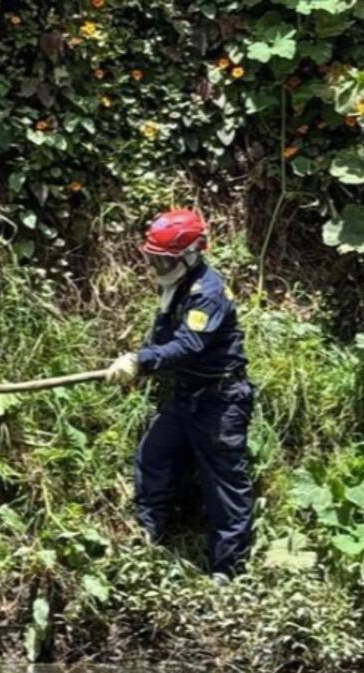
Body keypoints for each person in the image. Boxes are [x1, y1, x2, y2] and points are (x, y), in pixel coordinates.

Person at [105, 209, 254, 579]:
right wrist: (147, 367)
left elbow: (189, 344)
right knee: (153, 455)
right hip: (187, 395)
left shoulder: (209, 293)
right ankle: (147, 535)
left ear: (190, 253)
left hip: (220, 401)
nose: (156, 266)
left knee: (224, 486)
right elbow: (164, 334)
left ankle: (227, 572)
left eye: (163, 260)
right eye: (152, 258)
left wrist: (141, 360)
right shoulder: (176, 282)